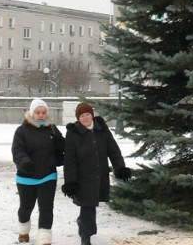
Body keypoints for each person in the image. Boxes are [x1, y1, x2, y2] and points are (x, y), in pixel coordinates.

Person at [62, 102, 131, 245]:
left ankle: (82, 223)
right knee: (88, 205)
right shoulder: (73, 133)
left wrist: (120, 168)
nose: (85, 118)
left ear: (92, 115)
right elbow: (69, 160)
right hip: (83, 177)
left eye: (87, 114)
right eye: (82, 115)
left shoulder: (102, 130)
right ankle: (86, 236)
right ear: (78, 118)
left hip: (100, 174)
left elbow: (113, 151)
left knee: (90, 204)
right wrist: (70, 181)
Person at [11, 98, 65, 245]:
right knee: (25, 208)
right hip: (26, 176)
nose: (41, 115)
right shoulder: (21, 131)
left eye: (43, 112)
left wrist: (67, 140)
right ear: (32, 113)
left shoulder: (52, 129)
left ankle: (44, 239)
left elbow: (63, 147)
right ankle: (23, 230)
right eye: (38, 112)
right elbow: (17, 150)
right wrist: (24, 162)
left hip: (48, 175)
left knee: (46, 208)